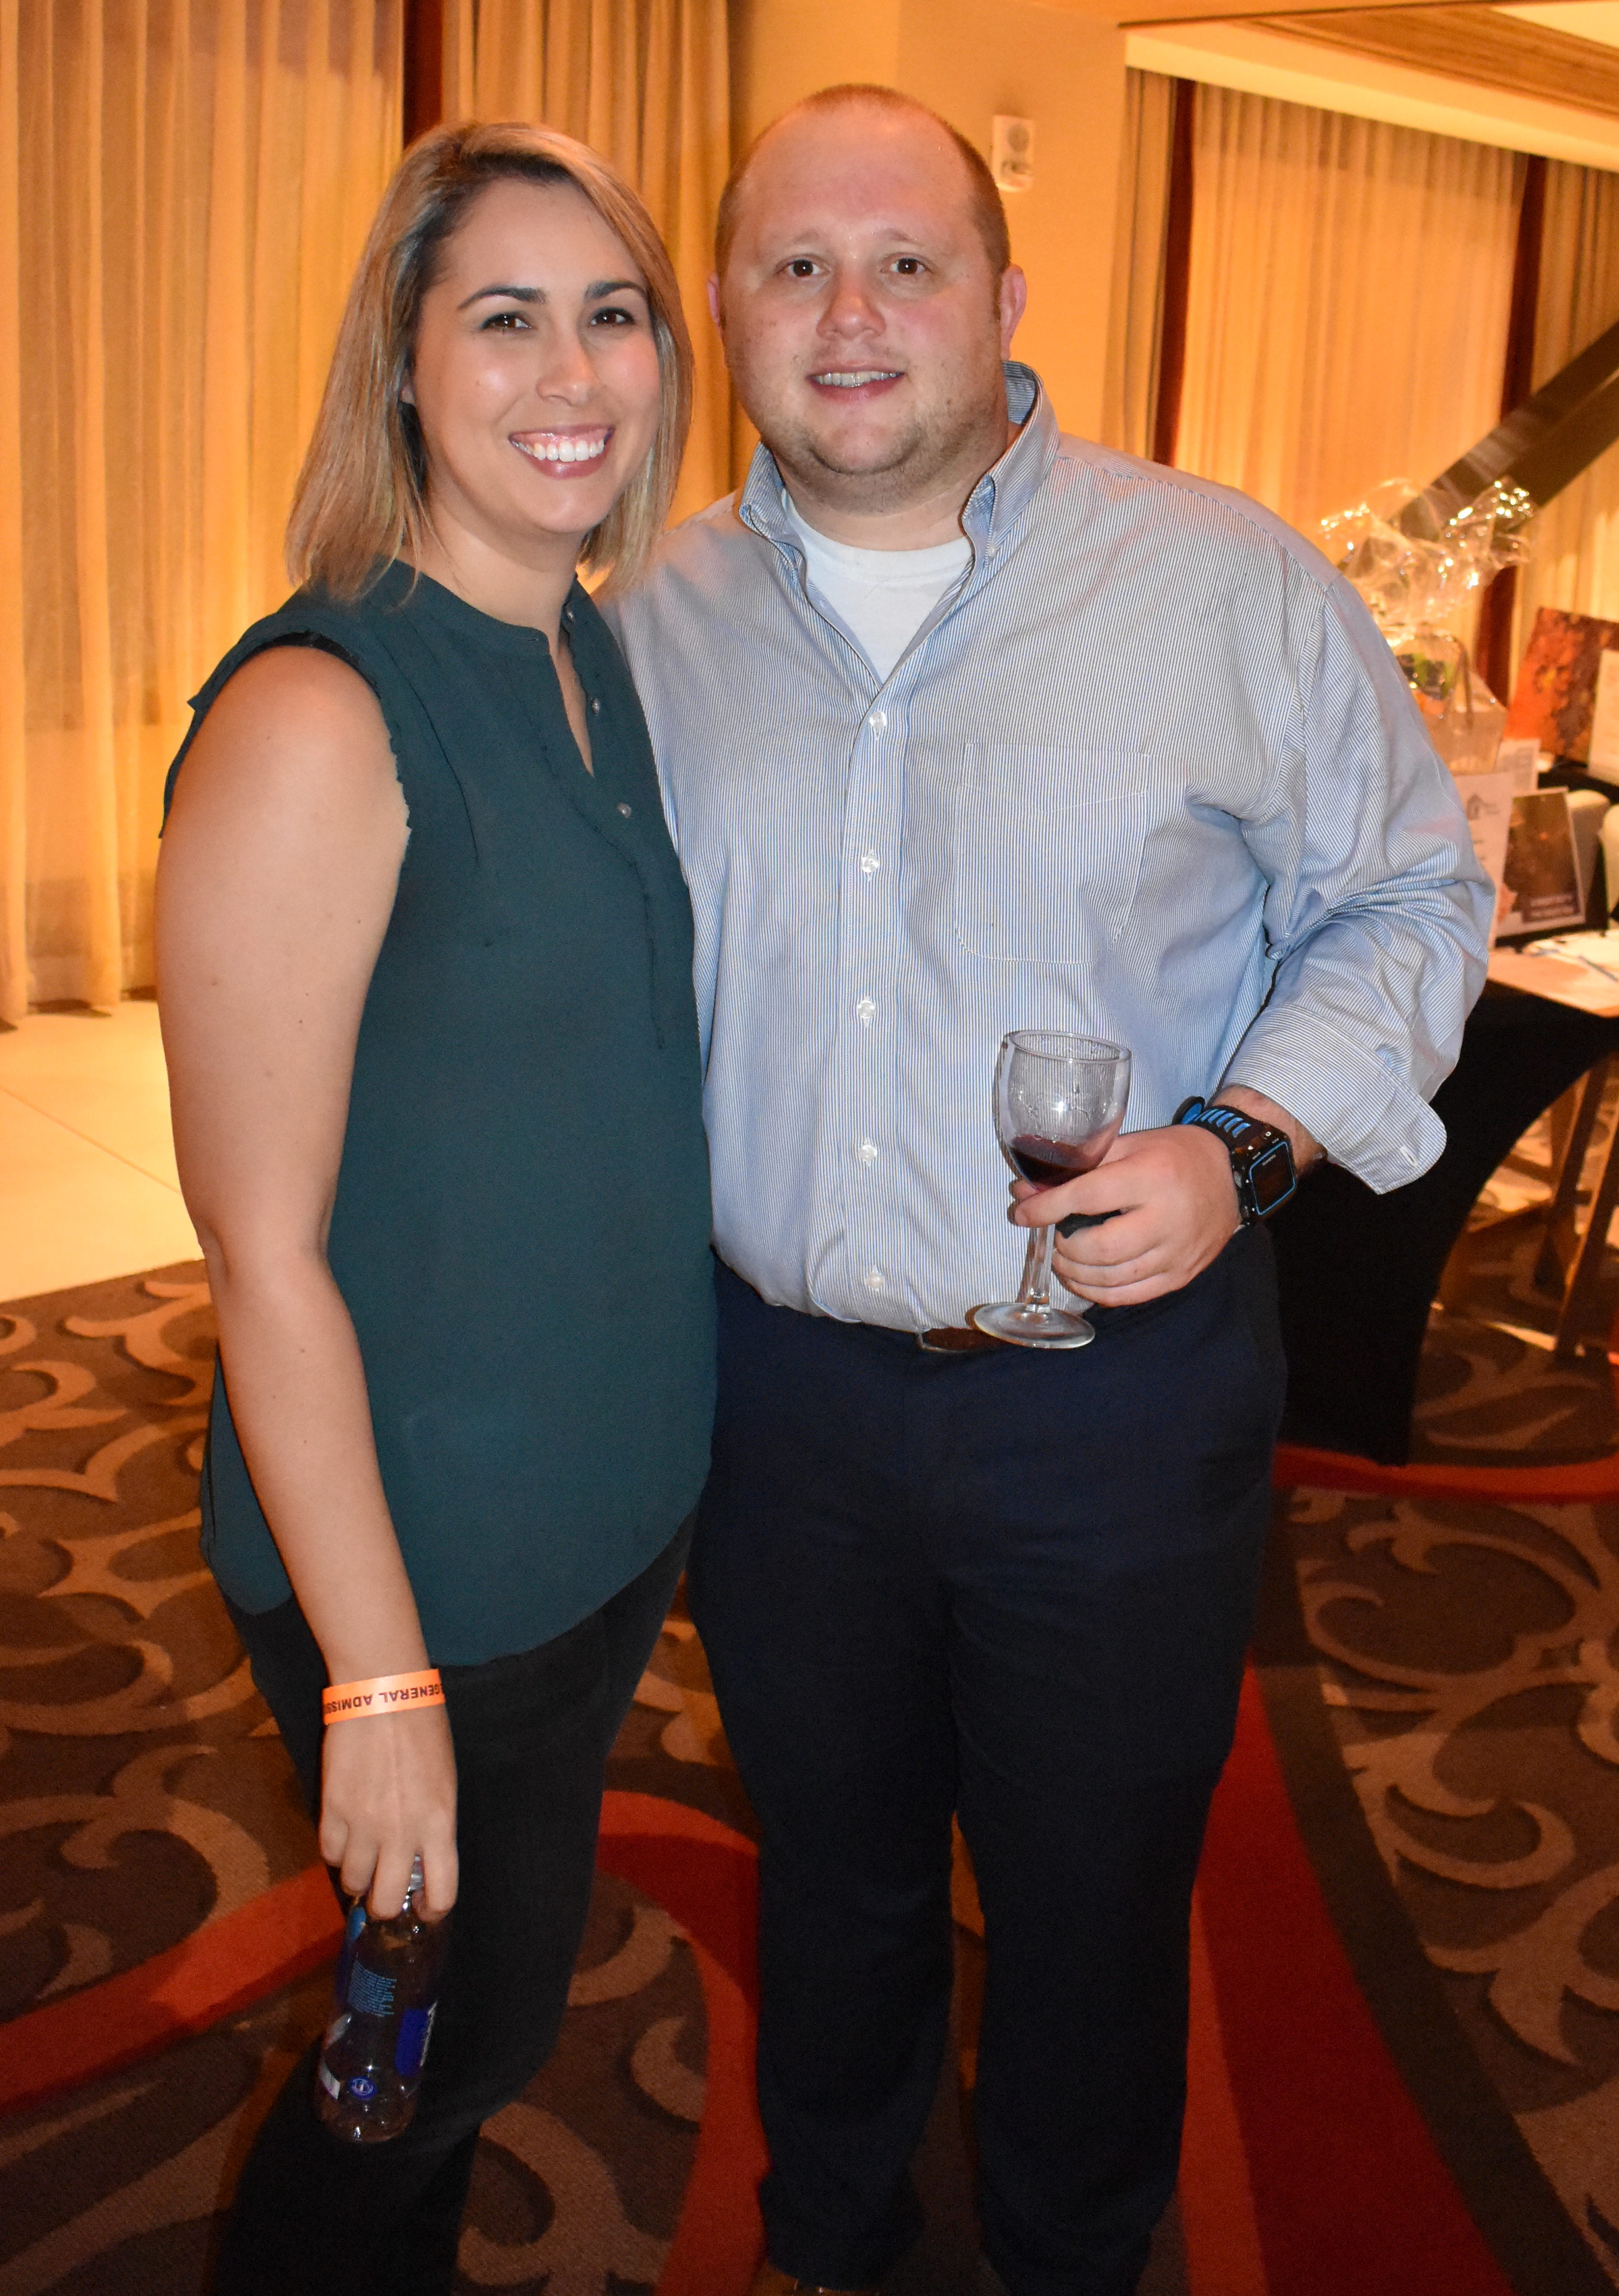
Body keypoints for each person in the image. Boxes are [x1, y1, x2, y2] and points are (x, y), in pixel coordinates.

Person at [610, 83, 1492, 2296]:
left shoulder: (1217, 580)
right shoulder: (649, 618)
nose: (850, 315)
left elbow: (1410, 894)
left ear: (1008, 296)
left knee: (1093, 1905)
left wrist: (1244, 1142)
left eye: (907, 262)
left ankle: (1074, 2259)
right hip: (777, 1398)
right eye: (796, 265)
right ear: (724, 306)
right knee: (833, 1881)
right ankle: (832, 2242)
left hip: (1117, 1392)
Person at [156, 123, 714, 2295]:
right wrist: (379, 1689)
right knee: (424, 2065)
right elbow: (260, 1249)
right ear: (403, 362)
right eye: (505, 318)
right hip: (428, 1567)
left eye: (613, 314)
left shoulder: (587, 652)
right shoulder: (325, 709)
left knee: (484, 2031)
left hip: (598, 1524)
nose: (572, 371)